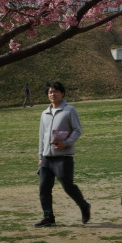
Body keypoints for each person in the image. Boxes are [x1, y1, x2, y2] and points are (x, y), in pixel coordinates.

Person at [35, 81, 91, 227]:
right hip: (47, 158)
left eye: (55, 91)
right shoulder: (44, 113)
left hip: (63, 157)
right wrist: (41, 156)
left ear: (62, 93)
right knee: (44, 189)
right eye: (50, 92)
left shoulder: (70, 110)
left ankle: (84, 206)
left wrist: (65, 143)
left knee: (68, 186)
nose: (53, 94)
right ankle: (48, 217)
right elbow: (42, 136)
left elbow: (77, 130)